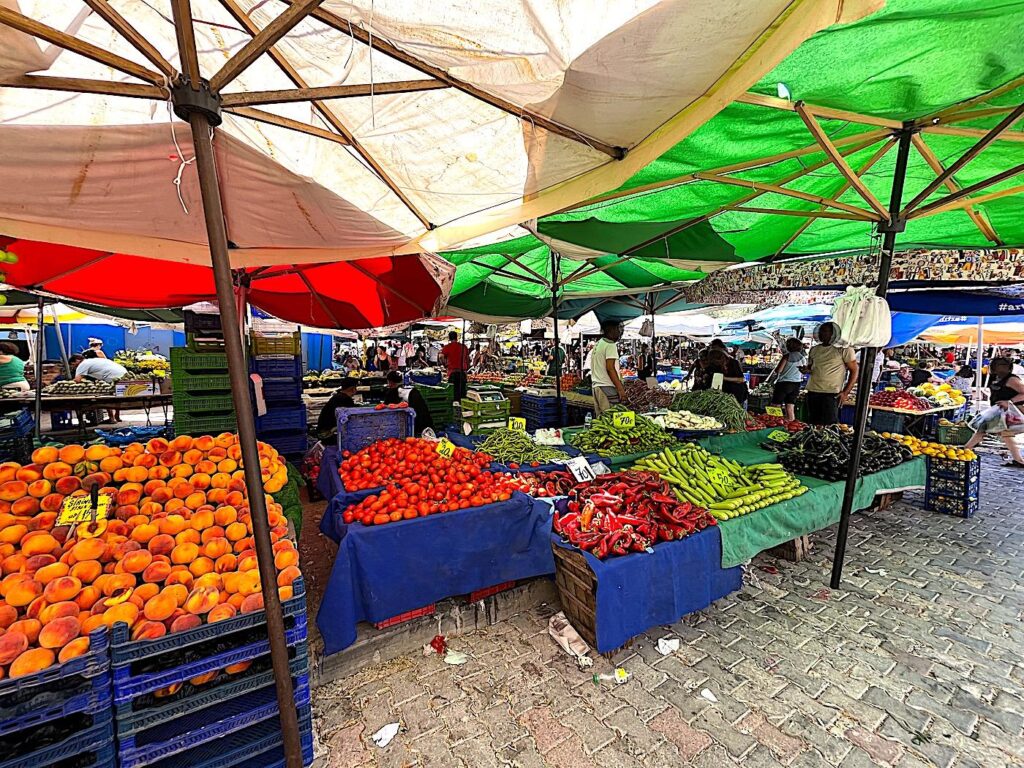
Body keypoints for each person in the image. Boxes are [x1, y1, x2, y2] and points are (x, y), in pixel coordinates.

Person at [965, 358, 1024, 467]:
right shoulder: (996, 378)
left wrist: (1010, 402)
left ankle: (1019, 460)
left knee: (1003, 432)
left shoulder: (1012, 380)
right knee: (983, 428)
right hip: (998, 410)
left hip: (1010, 411)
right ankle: (966, 449)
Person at [804, 321, 857, 425]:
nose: (821, 333)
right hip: (813, 391)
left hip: (832, 393)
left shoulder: (844, 349)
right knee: (813, 423)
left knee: (830, 424)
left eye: (825, 331)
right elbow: (811, 368)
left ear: (833, 333)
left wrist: (845, 392)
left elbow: (854, 371)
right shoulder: (814, 350)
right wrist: (805, 370)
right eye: (820, 331)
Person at [74, 350, 128, 423]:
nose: (73, 367)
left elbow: (77, 380)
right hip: (124, 376)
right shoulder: (99, 360)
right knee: (117, 396)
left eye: (73, 364)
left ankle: (112, 418)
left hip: (112, 377)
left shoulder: (83, 363)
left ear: (77, 361)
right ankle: (117, 416)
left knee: (106, 395)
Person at [590, 320, 627, 415]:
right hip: (606, 387)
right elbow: (610, 368)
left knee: (601, 420)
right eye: (617, 329)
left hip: (596, 386)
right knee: (611, 419)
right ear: (610, 330)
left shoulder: (598, 344)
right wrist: (620, 389)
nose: (619, 332)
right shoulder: (610, 345)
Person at [769, 338, 806, 422]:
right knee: (790, 406)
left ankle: (774, 423)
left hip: (783, 384)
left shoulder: (787, 356)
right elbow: (804, 371)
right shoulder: (802, 358)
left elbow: (778, 370)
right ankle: (791, 425)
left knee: (776, 405)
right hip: (796, 384)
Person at [440, 331, 470, 400]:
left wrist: (445, 365)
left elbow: (441, 357)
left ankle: (455, 406)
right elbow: (468, 359)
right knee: (462, 393)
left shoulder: (447, 347)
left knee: (453, 393)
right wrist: (466, 368)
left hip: (452, 373)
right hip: (462, 372)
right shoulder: (463, 347)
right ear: (457, 337)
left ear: (449, 338)